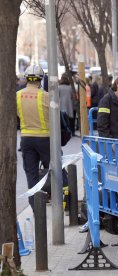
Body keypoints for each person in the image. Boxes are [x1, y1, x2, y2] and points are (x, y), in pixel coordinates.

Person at [17, 65, 50, 210]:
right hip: (44, 138)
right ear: (40, 79)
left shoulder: (17, 95)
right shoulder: (45, 96)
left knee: (31, 174)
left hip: (26, 138)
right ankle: (65, 198)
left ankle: (35, 207)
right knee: (56, 169)